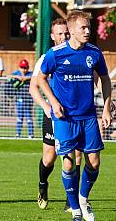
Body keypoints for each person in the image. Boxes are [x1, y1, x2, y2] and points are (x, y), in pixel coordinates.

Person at [37, 10, 113, 221]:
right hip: (65, 118)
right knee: (68, 162)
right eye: (83, 27)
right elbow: (41, 79)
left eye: (89, 27)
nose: (88, 31)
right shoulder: (55, 54)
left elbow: (105, 80)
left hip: (88, 115)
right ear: (71, 30)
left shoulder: (94, 53)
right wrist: (52, 101)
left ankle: (83, 198)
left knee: (94, 161)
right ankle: (75, 211)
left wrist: (106, 108)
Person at [30, 18, 84, 210]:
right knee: (49, 158)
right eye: (59, 34)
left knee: (76, 157)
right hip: (53, 114)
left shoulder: (80, 55)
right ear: (53, 36)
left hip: (76, 114)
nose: (63, 37)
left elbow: (95, 78)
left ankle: (71, 201)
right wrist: (46, 106)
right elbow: (34, 87)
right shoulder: (47, 58)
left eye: (66, 33)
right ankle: (43, 185)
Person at [9, 59, 34, 138]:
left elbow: (35, 77)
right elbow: (8, 77)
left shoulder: (30, 73)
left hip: (28, 99)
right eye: (22, 68)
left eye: (25, 68)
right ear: (19, 68)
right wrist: (17, 77)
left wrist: (27, 78)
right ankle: (18, 133)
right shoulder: (16, 73)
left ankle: (30, 134)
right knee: (19, 117)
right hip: (19, 99)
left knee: (29, 117)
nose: (24, 70)